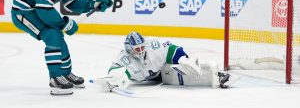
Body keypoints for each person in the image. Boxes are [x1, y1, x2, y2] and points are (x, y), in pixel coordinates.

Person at [10, 0, 113, 96]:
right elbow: (43, 8)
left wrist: (92, 4)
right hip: (23, 12)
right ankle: (55, 79)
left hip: (36, 10)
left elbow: (72, 3)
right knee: (52, 35)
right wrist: (64, 23)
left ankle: (65, 73)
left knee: (57, 36)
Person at [94, 32, 236, 92]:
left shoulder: (153, 46)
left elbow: (172, 50)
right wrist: (113, 80)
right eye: (137, 49)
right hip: (150, 78)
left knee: (183, 71)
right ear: (129, 49)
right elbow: (114, 69)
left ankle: (217, 76)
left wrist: (184, 60)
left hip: (163, 70)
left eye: (142, 47)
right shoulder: (124, 58)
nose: (141, 51)